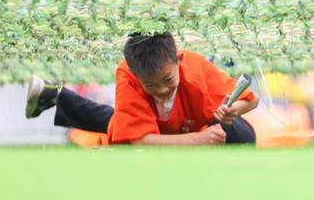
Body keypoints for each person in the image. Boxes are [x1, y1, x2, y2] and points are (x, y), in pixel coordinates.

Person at [25, 32, 258, 145]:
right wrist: (198, 140)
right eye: (150, 86)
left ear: (178, 60)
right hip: (172, 131)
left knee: (243, 137)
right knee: (120, 124)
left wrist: (233, 110)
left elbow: (251, 98)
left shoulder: (195, 68)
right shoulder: (127, 75)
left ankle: (54, 95)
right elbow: (140, 140)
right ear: (136, 76)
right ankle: (53, 95)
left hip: (195, 124)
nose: (162, 91)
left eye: (168, 80)